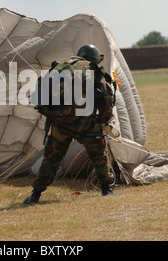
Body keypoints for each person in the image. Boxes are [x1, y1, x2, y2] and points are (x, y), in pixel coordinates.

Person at [24, 44, 117, 204]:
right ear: (94, 58)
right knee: (99, 155)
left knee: (51, 159)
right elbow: (106, 99)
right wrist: (103, 121)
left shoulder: (59, 66)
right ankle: (106, 189)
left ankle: (35, 194)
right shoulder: (93, 69)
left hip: (61, 123)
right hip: (86, 124)